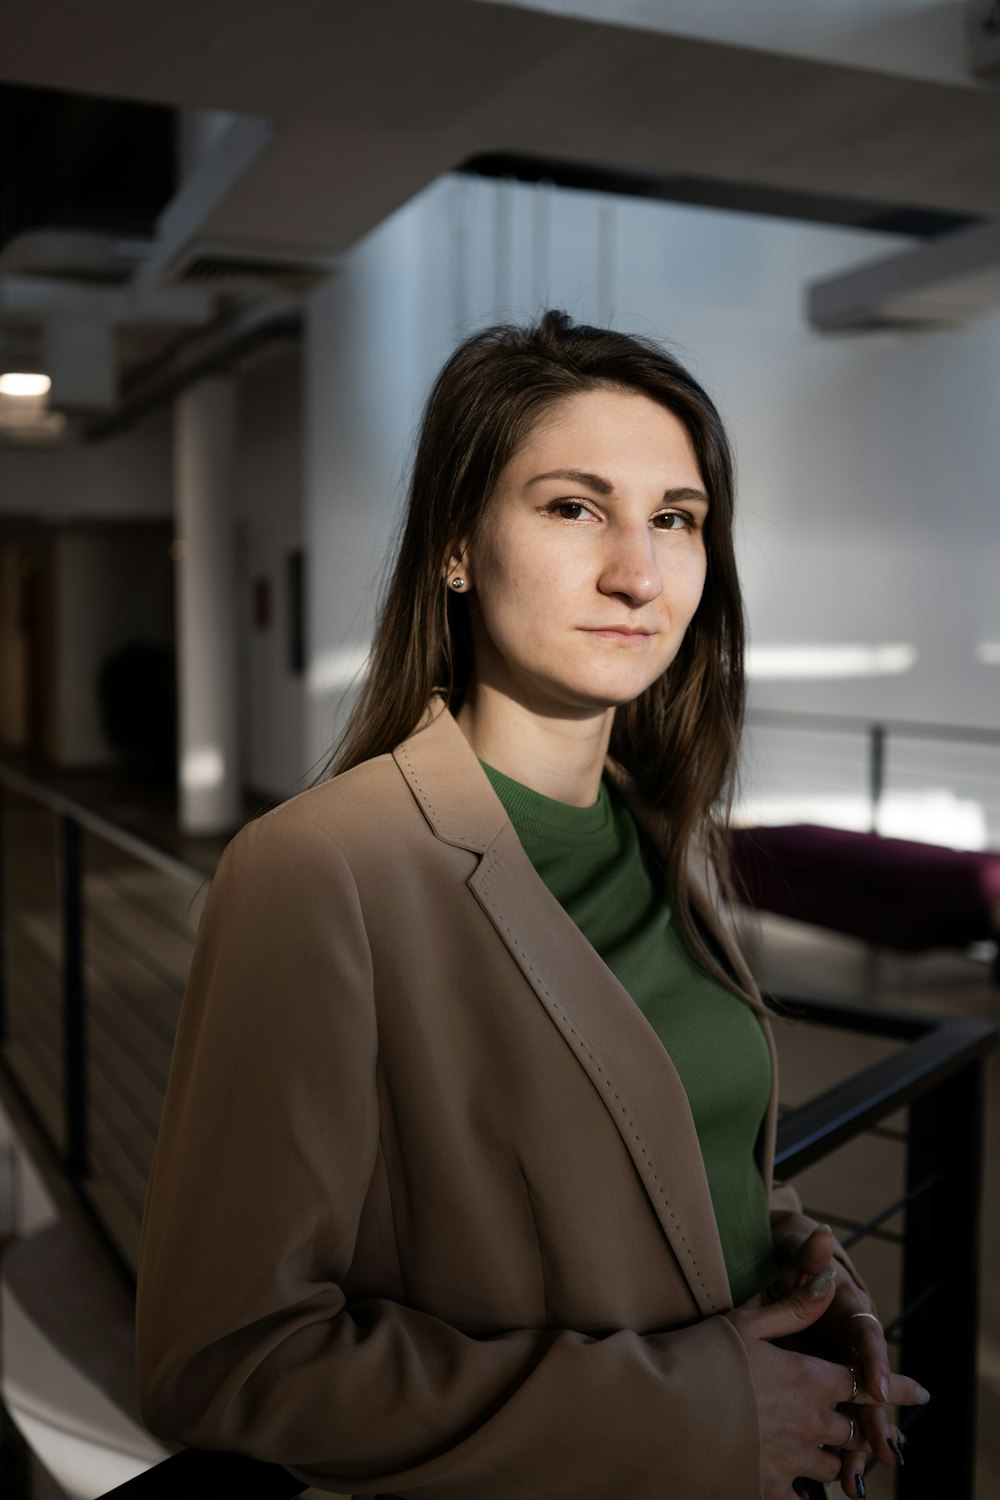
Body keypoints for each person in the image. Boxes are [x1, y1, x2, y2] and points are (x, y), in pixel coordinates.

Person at [135, 311, 928, 1500]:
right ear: (456, 544)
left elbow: (689, 1147)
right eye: (574, 507)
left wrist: (808, 1274)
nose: (638, 572)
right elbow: (226, 1363)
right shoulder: (316, 872)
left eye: (675, 518)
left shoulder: (659, 832)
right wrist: (694, 1412)